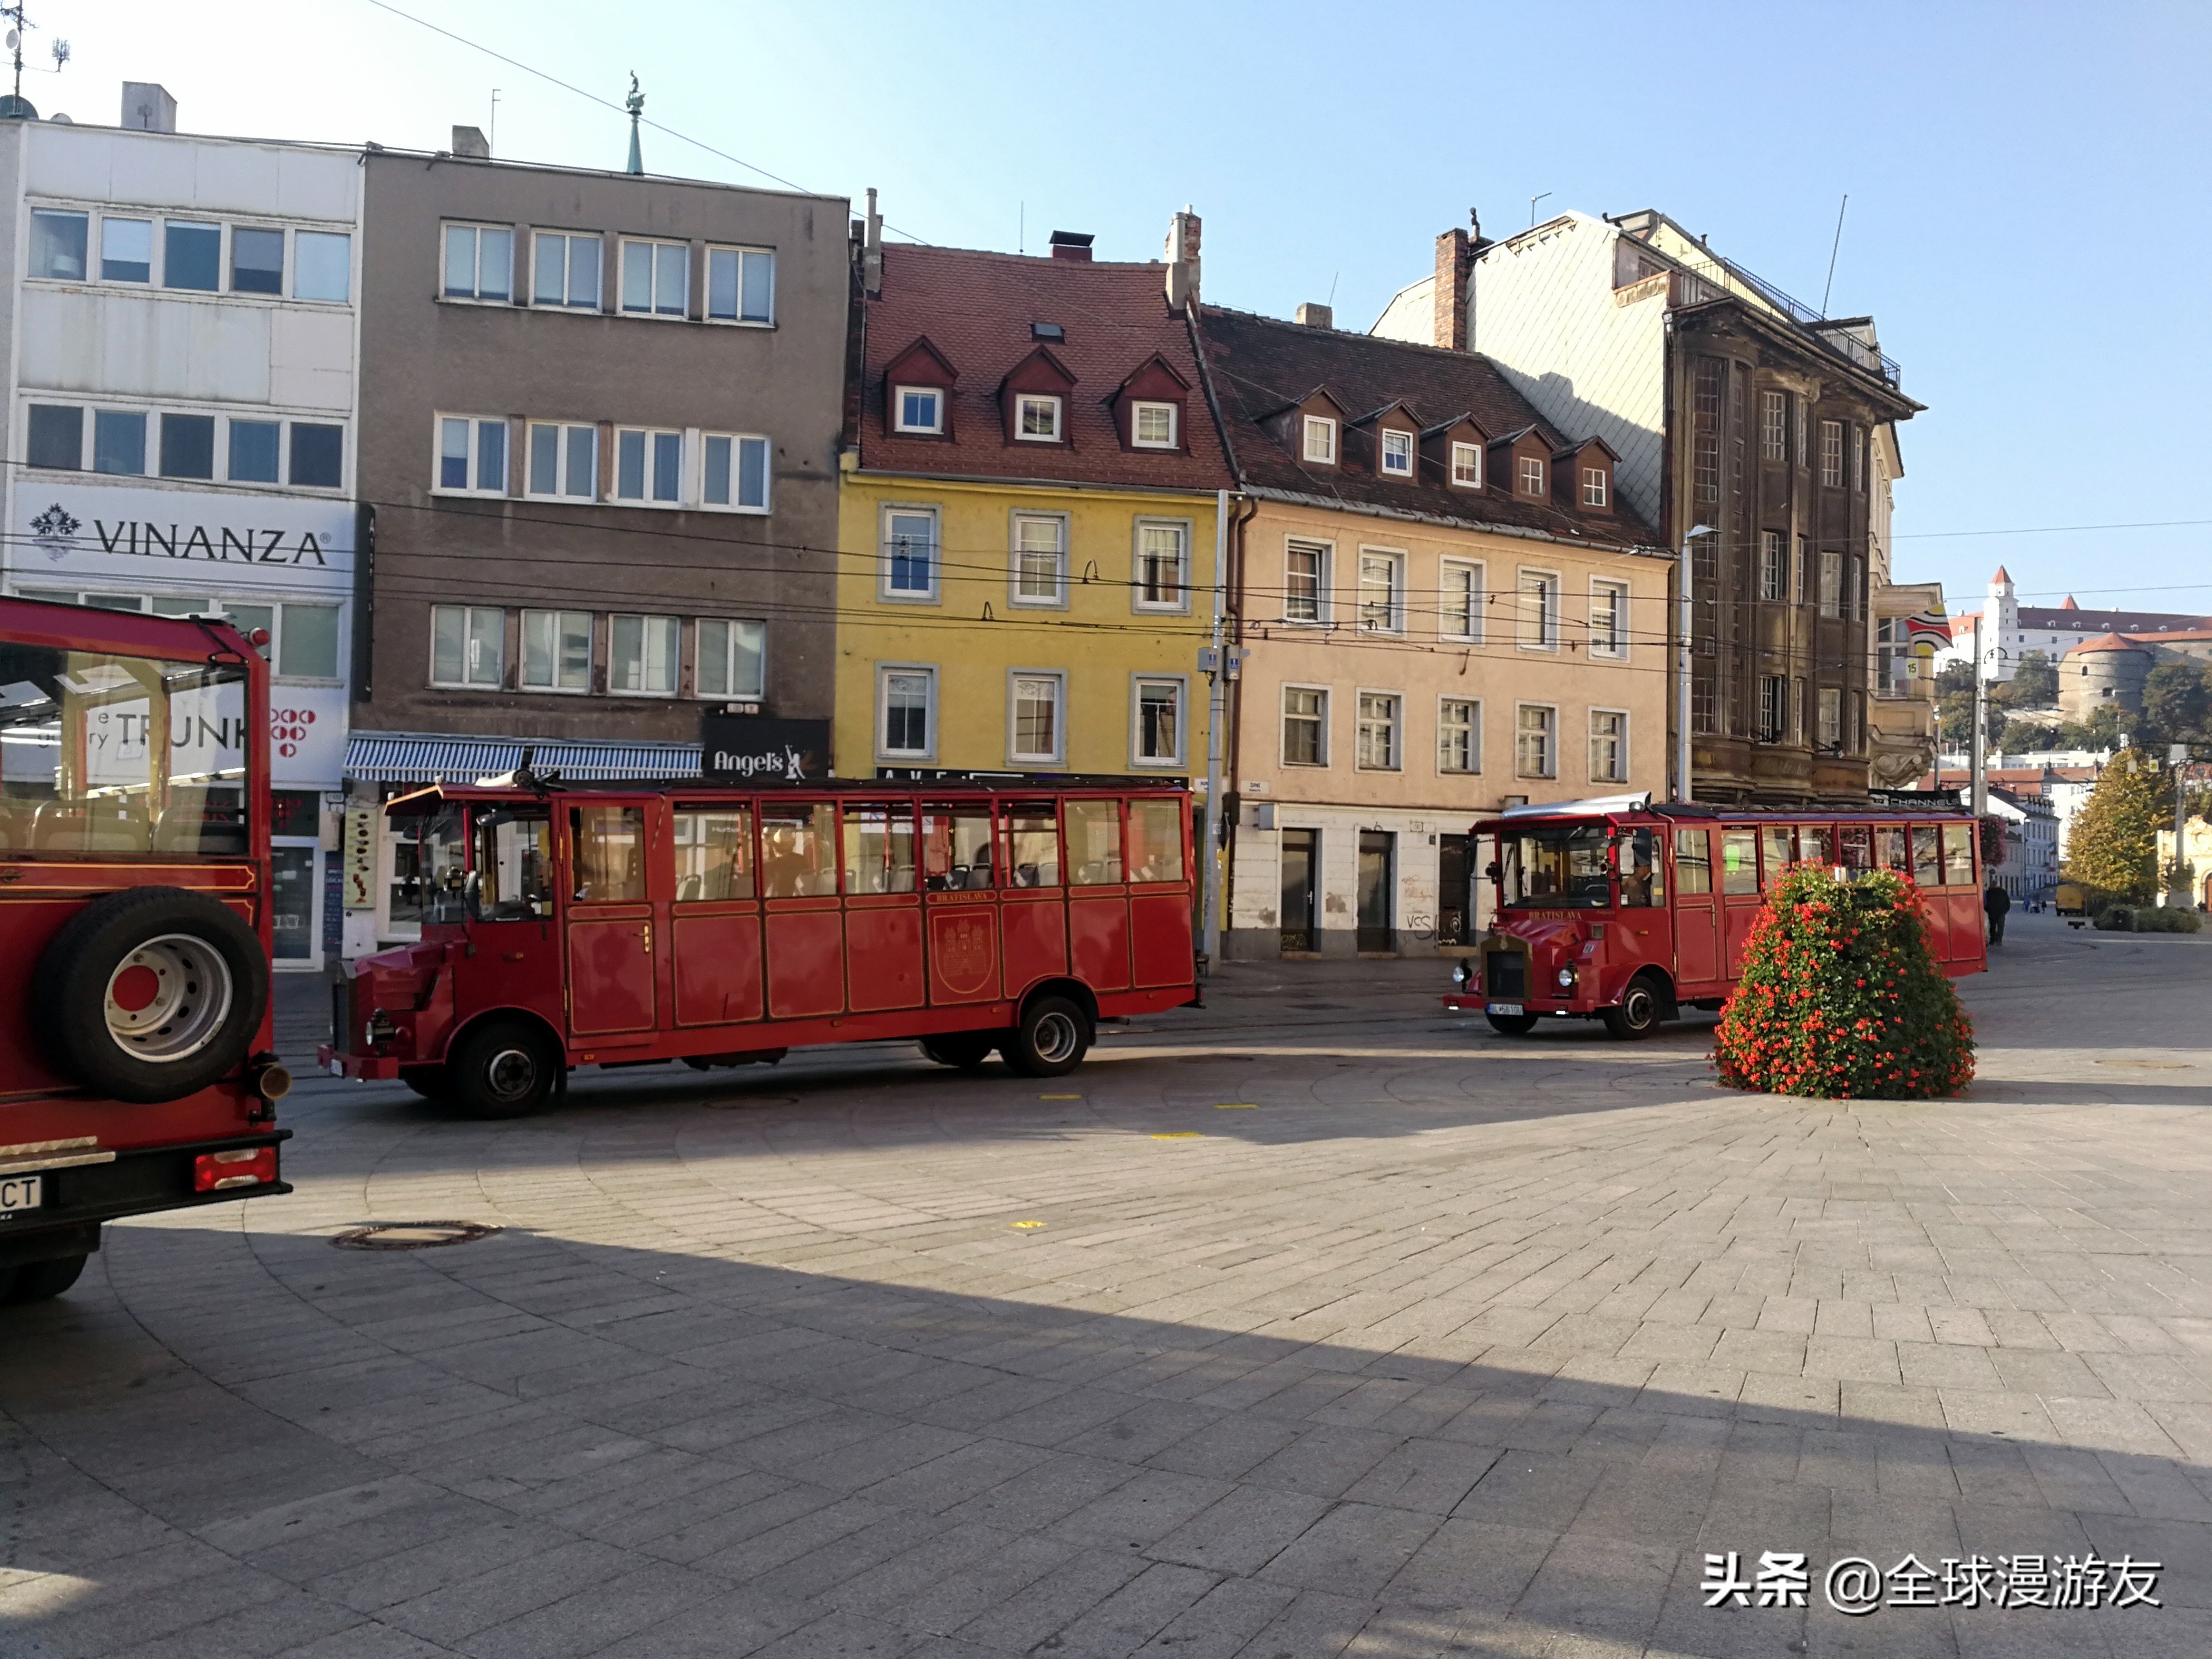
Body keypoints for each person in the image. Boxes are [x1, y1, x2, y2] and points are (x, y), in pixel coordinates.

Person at [1983, 879, 2011, 946]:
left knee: (1993, 926)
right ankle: (1999, 940)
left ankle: (1993, 940)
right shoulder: (2003, 892)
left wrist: (1988, 910)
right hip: (2001, 912)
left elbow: (1985, 903)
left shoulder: (1988, 893)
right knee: (2001, 927)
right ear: (1998, 885)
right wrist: (2005, 910)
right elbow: (2008, 902)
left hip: (1992, 912)